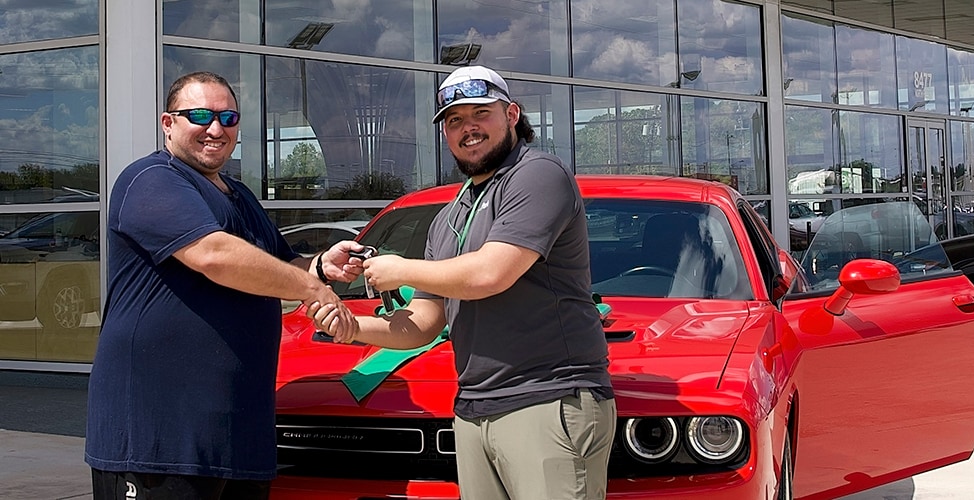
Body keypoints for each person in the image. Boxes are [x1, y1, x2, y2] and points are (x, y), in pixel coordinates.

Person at [314, 65, 615, 499]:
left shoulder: (538, 174)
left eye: (480, 113)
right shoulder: (448, 218)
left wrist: (399, 269)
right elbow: (424, 322)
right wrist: (351, 326)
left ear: (511, 114)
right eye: (454, 120)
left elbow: (491, 273)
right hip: (473, 409)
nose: (467, 128)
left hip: (548, 398)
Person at [85, 71, 362, 499]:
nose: (216, 128)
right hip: (158, 442)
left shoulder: (239, 195)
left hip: (237, 440)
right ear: (168, 123)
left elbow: (280, 266)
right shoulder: (151, 179)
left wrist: (322, 268)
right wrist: (312, 290)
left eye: (228, 117)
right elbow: (212, 255)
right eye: (199, 115)